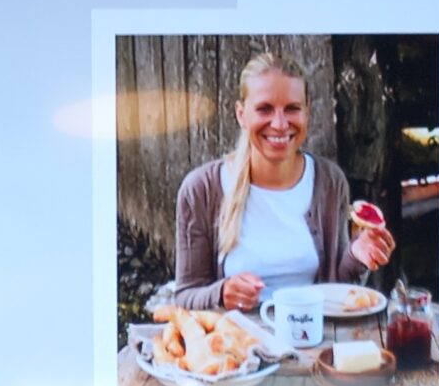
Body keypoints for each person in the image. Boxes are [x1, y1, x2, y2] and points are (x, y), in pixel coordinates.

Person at [164, 51, 395, 313]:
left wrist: (357, 257)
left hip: (312, 333)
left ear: (307, 111)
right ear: (241, 114)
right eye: (264, 109)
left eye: (292, 109)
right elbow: (186, 296)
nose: (280, 123)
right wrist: (221, 293)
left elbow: (338, 291)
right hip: (239, 336)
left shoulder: (330, 182)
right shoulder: (201, 189)